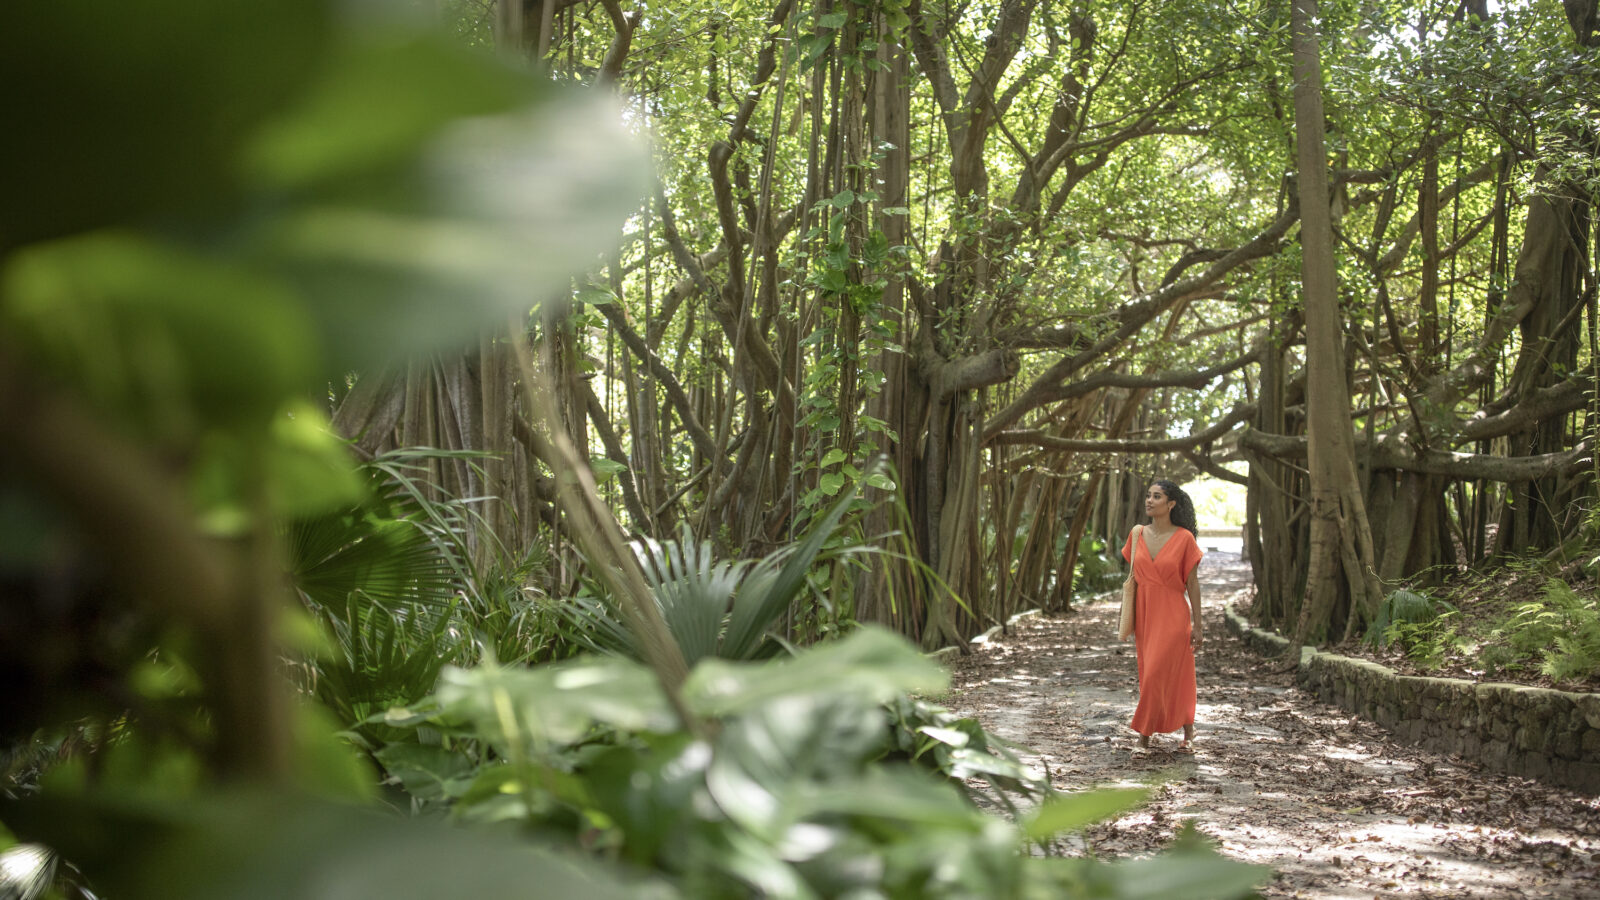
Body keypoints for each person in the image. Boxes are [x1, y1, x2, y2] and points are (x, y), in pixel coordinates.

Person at [1120, 479, 1204, 753]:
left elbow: (1192, 584)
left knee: (1165, 672)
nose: (1149, 500)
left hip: (1173, 615)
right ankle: (1188, 731)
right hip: (1145, 615)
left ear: (1171, 504)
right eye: (1148, 496)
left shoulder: (1184, 538)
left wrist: (1198, 625)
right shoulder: (1137, 535)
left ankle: (1144, 735)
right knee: (1149, 673)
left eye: (1157, 497)